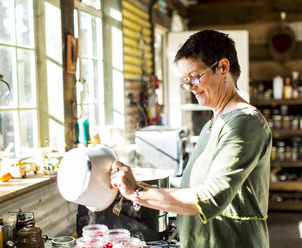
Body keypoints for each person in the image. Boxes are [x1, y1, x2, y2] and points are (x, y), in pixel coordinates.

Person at [110, 30, 272, 248]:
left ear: (223, 67)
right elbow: (195, 187)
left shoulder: (245, 122)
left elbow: (211, 198)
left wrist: (136, 192)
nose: (190, 87)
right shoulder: (214, 123)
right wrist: (133, 185)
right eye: (185, 80)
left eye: (195, 77)